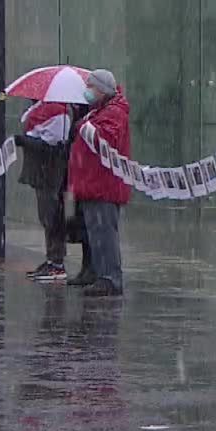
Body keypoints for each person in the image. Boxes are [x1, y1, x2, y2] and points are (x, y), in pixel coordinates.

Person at [68, 70, 130, 296]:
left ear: (102, 90)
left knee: (104, 235)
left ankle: (110, 278)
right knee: (95, 234)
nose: (87, 91)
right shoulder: (99, 111)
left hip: (103, 185)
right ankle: (99, 273)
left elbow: (106, 141)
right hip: (93, 184)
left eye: (91, 86)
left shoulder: (114, 113)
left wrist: (85, 127)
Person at [15, 98, 74, 281]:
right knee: (47, 216)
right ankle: (51, 260)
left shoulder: (59, 112)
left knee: (52, 216)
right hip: (42, 171)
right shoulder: (42, 109)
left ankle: (56, 263)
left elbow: (51, 145)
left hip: (50, 171)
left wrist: (25, 141)